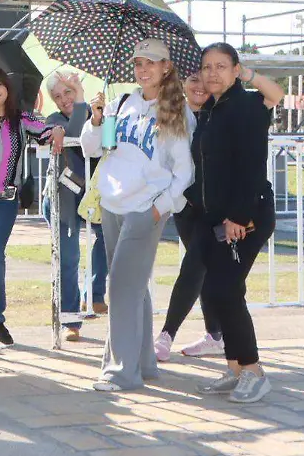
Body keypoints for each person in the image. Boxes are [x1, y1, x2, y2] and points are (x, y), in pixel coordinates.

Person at [81, 39, 194, 392]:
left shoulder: (177, 111)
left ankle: (120, 372)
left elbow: (185, 173)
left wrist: (161, 207)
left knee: (120, 288)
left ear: (166, 67)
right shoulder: (122, 103)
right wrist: (96, 120)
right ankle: (144, 364)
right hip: (112, 204)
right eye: (138, 63)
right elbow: (92, 148)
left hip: (145, 209)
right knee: (134, 287)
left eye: (151, 62)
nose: (143, 69)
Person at [188, 43, 283, 404]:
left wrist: (239, 218)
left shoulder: (245, 105)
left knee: (226, 291)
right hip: (216, 218)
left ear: (235, 70)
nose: (212, 73)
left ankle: (254, 371)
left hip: (245, 217)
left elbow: (251, 165)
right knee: (217, 292)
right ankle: (236, 368)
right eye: (207, 67)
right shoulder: (211, 110)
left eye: (221, 66)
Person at [0, 67, 64, 346]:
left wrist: (58, 130)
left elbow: (44, 131)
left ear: (7, 87)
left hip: (4, 198)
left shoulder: (21, 119)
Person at [155, 72, 223, 361]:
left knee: (195, 264)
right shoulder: (171, 113)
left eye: (204, 79)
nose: (199, 86)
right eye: (193, 79)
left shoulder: (221, 114)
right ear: (183, 82)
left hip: (214, 204)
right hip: (184, 203)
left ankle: (166, 334)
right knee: (204, 269)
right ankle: (215, 335)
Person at [44, 71, 108, 342]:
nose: (64, 99)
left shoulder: (97, 114)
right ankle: (70, 319)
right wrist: (81, 99)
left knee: (111, 237)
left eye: (68, 91)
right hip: (63, 197)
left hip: (94, 197)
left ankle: (93, 294)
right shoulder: (53, 121)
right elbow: (75, 137)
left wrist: (98, 112)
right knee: (69, 259)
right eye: (57, 96)